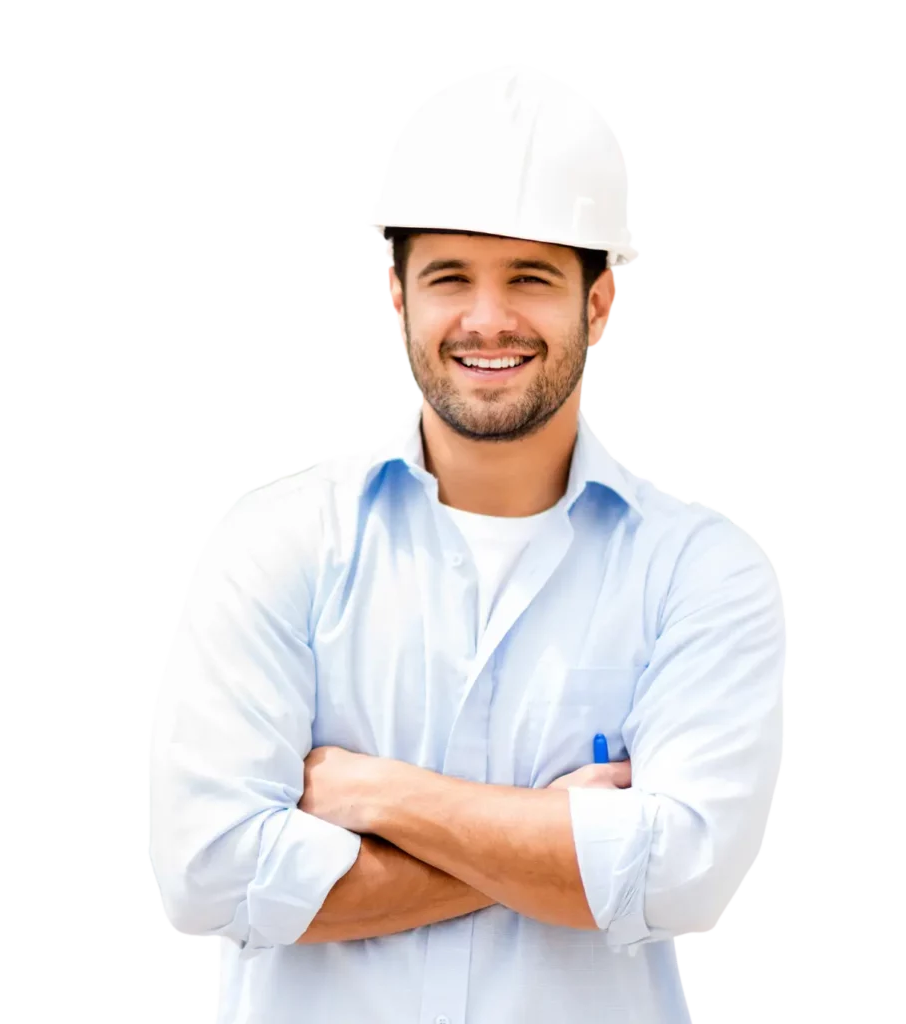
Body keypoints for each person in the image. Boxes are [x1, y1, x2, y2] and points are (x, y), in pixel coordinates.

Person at [149, 59, 788, 1023]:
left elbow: (686, 882)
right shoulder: (272, 540)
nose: (488, 321)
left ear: (600, 299)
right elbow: (209, 878)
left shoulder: (705, 571)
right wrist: (569, 843)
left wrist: (381, 795)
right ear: (396, 293)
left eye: (529, 277)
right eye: (451, 276)